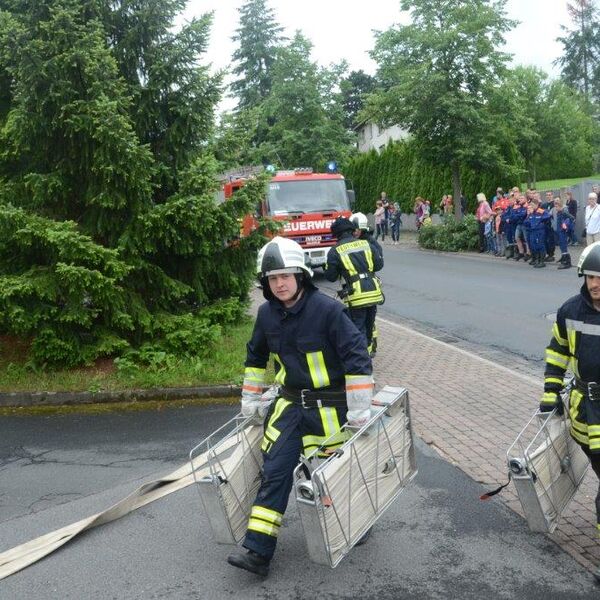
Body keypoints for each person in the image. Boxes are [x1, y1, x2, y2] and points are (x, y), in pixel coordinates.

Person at [227, 236, 374, 577]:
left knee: (332, 477)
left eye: (285, 276)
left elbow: (357, 359)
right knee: (274, 473)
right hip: (289, 408)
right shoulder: (266, 315)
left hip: (331, 411)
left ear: (301, 276)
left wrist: (360, 409)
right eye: (272, 278)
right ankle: (258, 552)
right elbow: (256, 356)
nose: (279, 283)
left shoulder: (328, 310)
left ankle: (359, 519)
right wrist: (250, 399)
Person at [540, 241, 600, 582]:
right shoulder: (570, 311)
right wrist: (550, 394)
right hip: (586, 413)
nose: (595, 284)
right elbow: (556, 354)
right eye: (591, 276)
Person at [325, 217, 384, 357]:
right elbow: (379, 265)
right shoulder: (366, 244)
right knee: (369, 328)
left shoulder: (335, 251)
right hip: (374, 292)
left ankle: (361, 360)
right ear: (352, 230)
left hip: (356, 295)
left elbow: (330, 277)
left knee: (357, 329)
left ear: (336, 235)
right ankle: (367, 354)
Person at [523, 197, 550, 268]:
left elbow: (547, 216)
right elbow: (525, 222)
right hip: (533, 231)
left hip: (539, 231)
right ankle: (537, 260)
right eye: (531, 205)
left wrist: (540, 220)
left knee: (540, 245)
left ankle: (542, 261)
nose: (531, 206)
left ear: (537, 204)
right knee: (534, 245)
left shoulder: (540, 211)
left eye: (532, 205)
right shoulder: (532, 213)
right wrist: (529, 215)